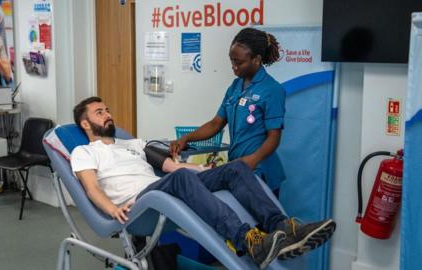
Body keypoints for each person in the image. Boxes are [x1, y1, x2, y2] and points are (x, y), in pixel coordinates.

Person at [70, 96, 336, 268]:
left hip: (163, 192)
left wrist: (208, 169)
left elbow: (174, 167)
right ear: (85, 123)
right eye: (98, 112)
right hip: (142, 204)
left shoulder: (133, 144)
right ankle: (249, 240)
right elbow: (91, 188)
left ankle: (284, 228)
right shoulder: (83, 152)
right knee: (181, 178)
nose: (107, 114)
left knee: (236, 168)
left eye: (107, 109)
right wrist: (111, 209)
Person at [170, 28, 286, 196]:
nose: (234, 66)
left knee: (262, 220)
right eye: (231, 60)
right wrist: (185, 138)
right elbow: (216, 123)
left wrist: (252, 160)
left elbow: (274, 138)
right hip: (237, 167)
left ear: (257, 59)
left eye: (239, 62)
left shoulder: (272, 90)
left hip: (260, 169)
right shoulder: (235, 87)